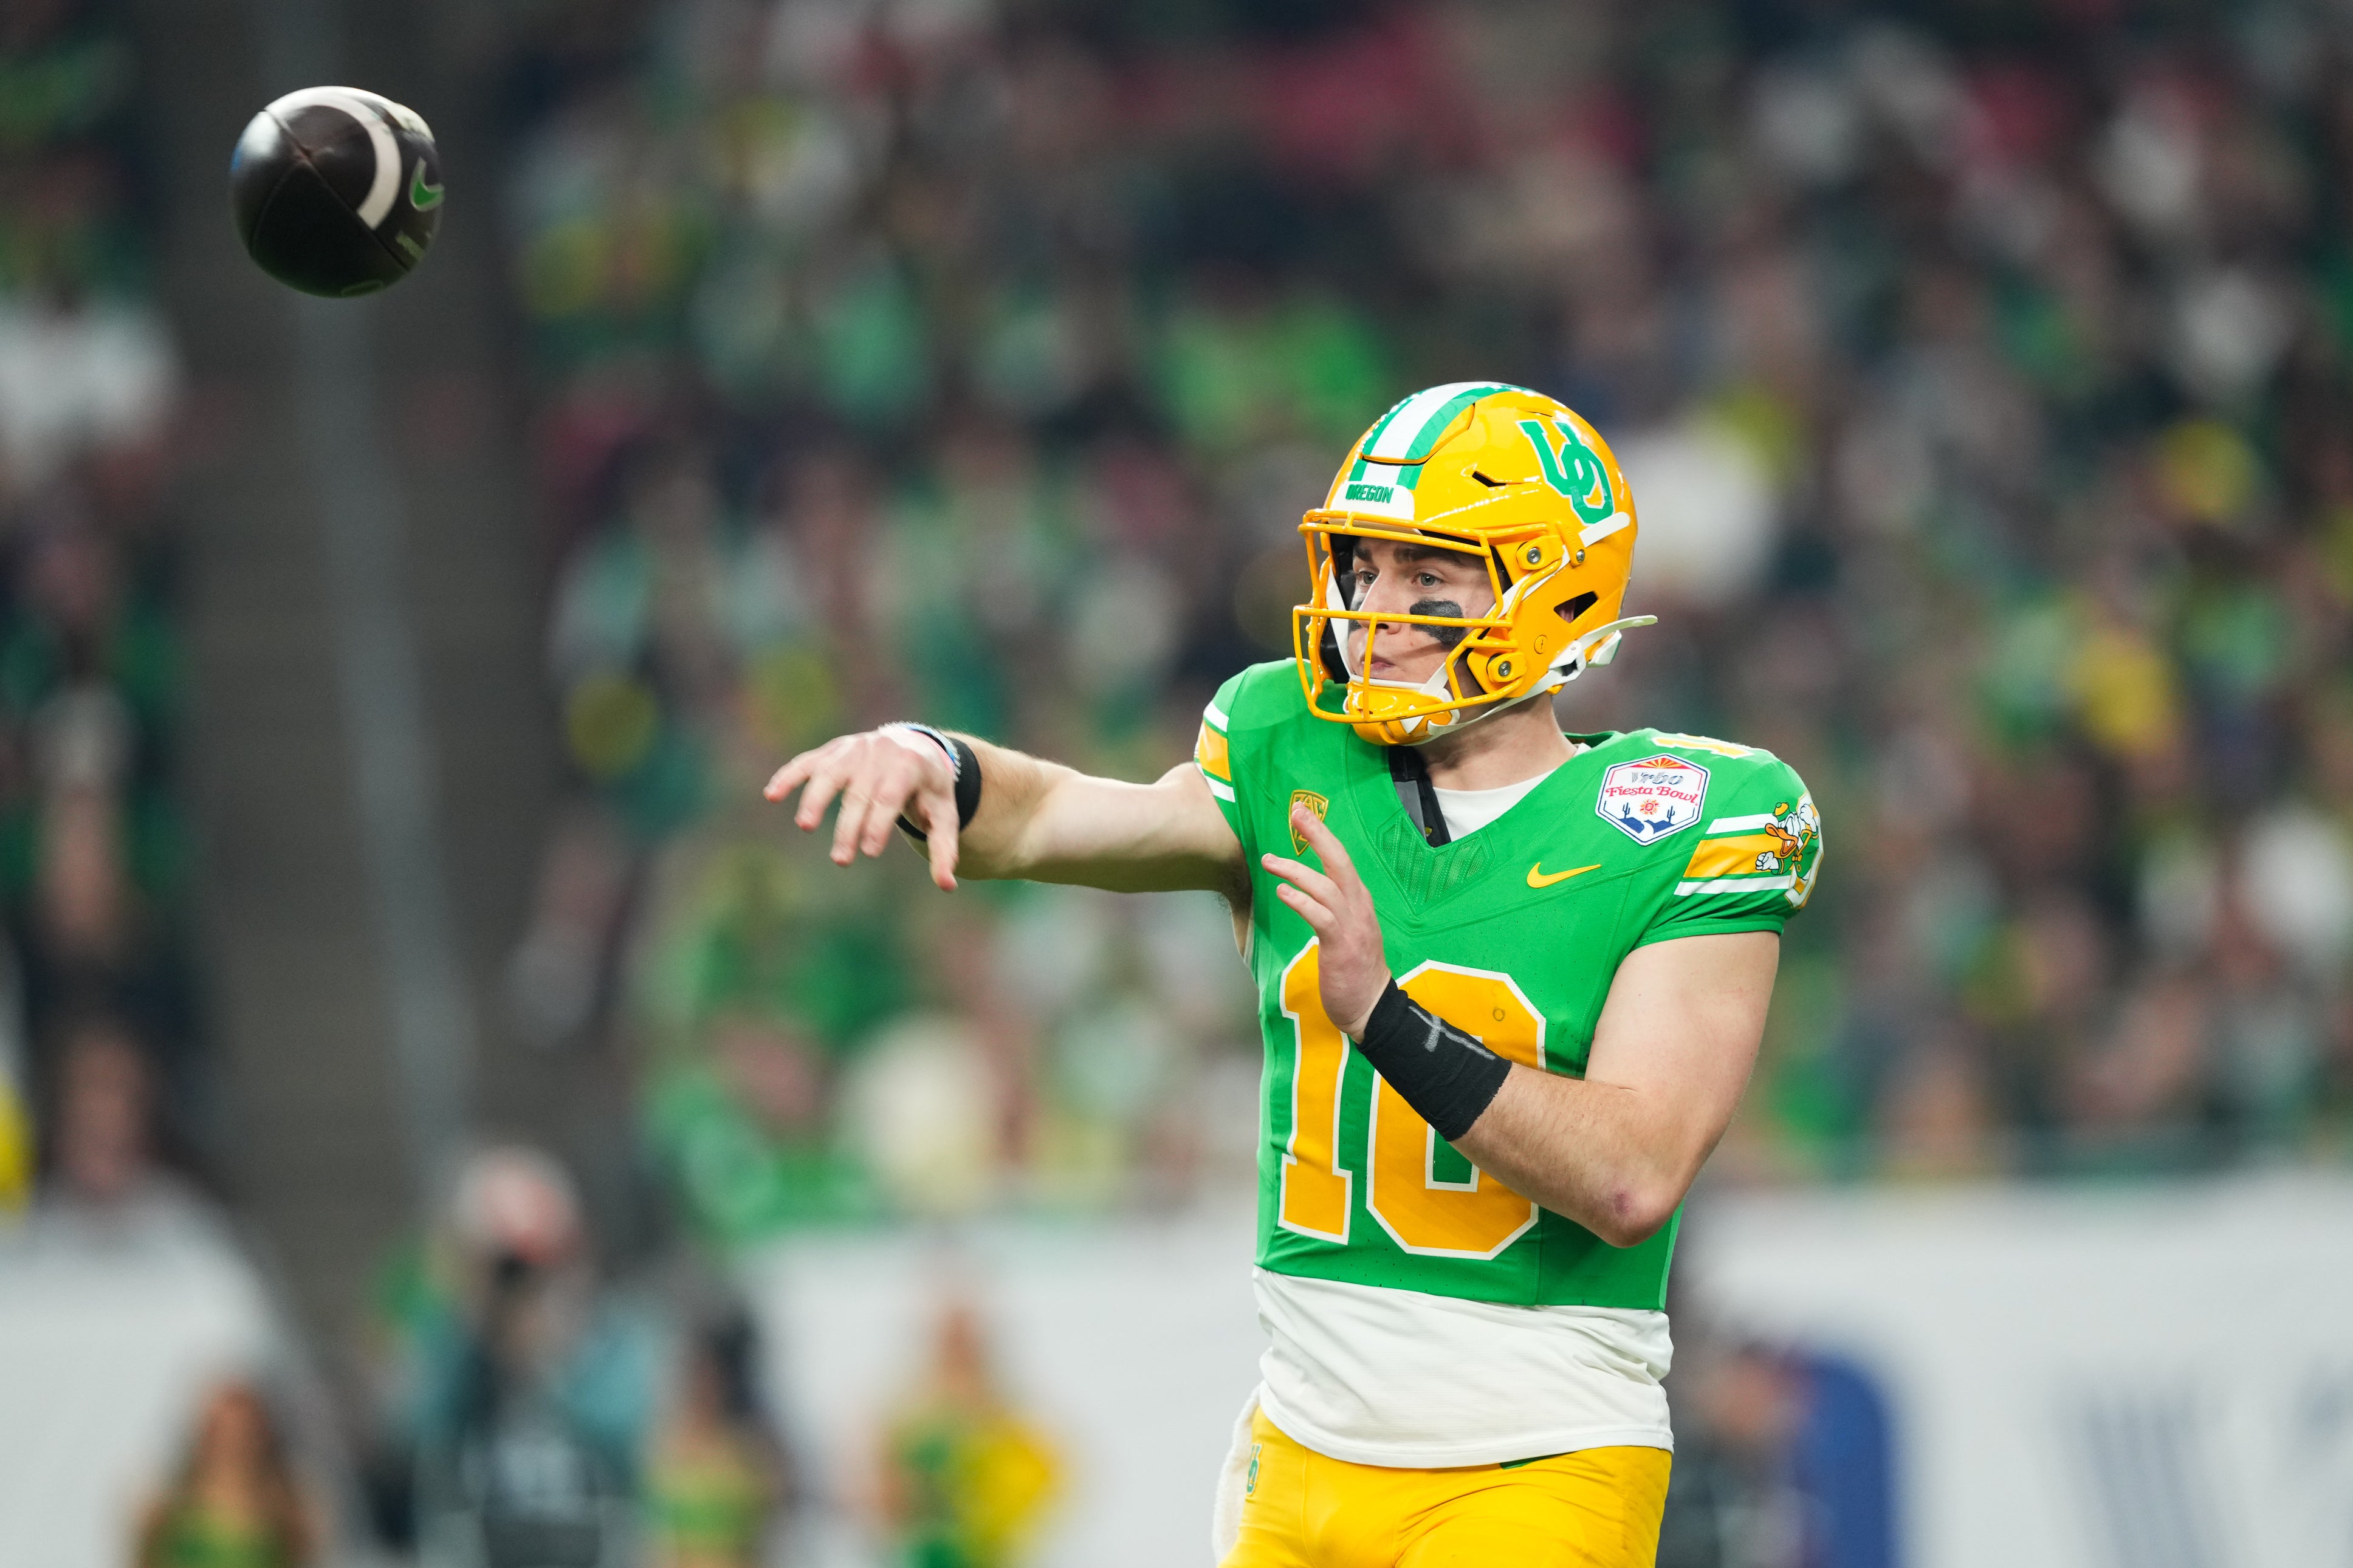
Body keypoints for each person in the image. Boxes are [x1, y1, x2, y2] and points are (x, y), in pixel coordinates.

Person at [764, 384, 1824, 1567]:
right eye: (1364, 570)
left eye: (1430, 576)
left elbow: (1632, 1176)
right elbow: (1058, 816)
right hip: (1295, 1460)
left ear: (1555, 586)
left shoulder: (1687, 818)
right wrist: (933, 757)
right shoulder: (1289, 743)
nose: (1376, 611)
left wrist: (1384, 1015)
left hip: (1533, 1459)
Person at [136, 1380, 322, 1568]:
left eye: (246, 1433)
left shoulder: (292, 1514)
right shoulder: (164, 1510)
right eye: (225, 1431)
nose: (235, 1444)